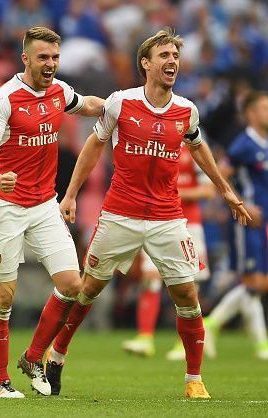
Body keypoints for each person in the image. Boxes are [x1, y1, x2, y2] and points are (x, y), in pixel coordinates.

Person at [44, 28, 251, 399]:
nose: (172, 61)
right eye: (165, 56)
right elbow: (93, 146)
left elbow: (200, 147)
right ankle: (58, 354)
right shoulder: (120, 103)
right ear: (146, 64)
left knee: (187, 296)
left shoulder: (186, 110)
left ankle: (194, 379)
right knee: (88, 289)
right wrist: (71, 195)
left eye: (175, 56)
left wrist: (226, 191)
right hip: (119, 214)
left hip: (167, 217)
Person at [0, 26, 104, 399]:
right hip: (5, 206)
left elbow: (90, 105)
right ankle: (0, 383)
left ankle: (33, 357)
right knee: (3, 297)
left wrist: (125, 102)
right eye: (43, 57)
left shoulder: (59, 91)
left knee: (72, 285)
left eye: (55, 58)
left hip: (44, 204)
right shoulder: (3, 99)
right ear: (26, 58)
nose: (50, 64)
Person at [203, 91, 268, 360]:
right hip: (245, 222)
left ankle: (217, 326)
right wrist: (241, 205)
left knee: (258, 283)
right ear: (250, 114)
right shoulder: (243, 145)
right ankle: (252, 341)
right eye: (264, 108)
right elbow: (219, 174)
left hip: (263, 222)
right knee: (252, 282)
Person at [121, 146, 216, 360]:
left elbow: (208, 190)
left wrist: (171, 193)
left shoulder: (194, 145)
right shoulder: (155, 144)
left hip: (189, 224)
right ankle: (145, 338)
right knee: (150, 278)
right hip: (157, 222)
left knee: (189, 284)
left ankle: (183, 344)